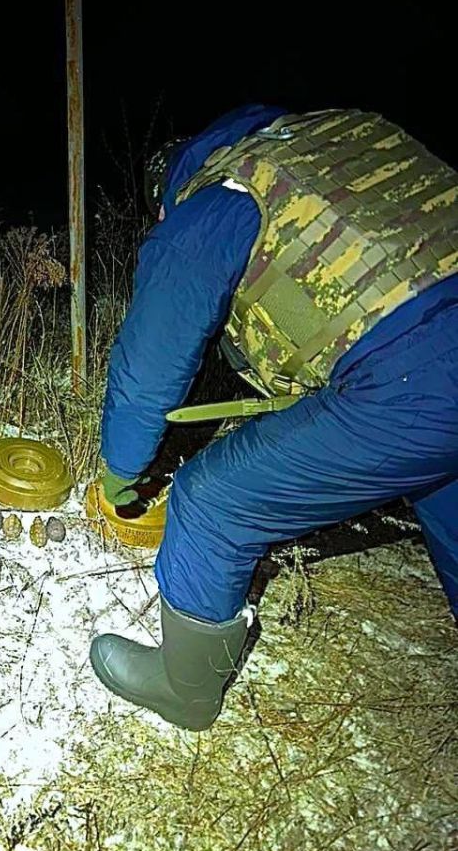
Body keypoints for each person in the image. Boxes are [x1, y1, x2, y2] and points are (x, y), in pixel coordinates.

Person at [90, 105, 458, 731]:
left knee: (212, 501)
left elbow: (150, 358)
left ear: (166, 195)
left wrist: (120, 467)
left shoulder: (221, 195)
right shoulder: (331, 141)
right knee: (443, 478)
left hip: (415, 380)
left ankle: (186, 692)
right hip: (431, 363)